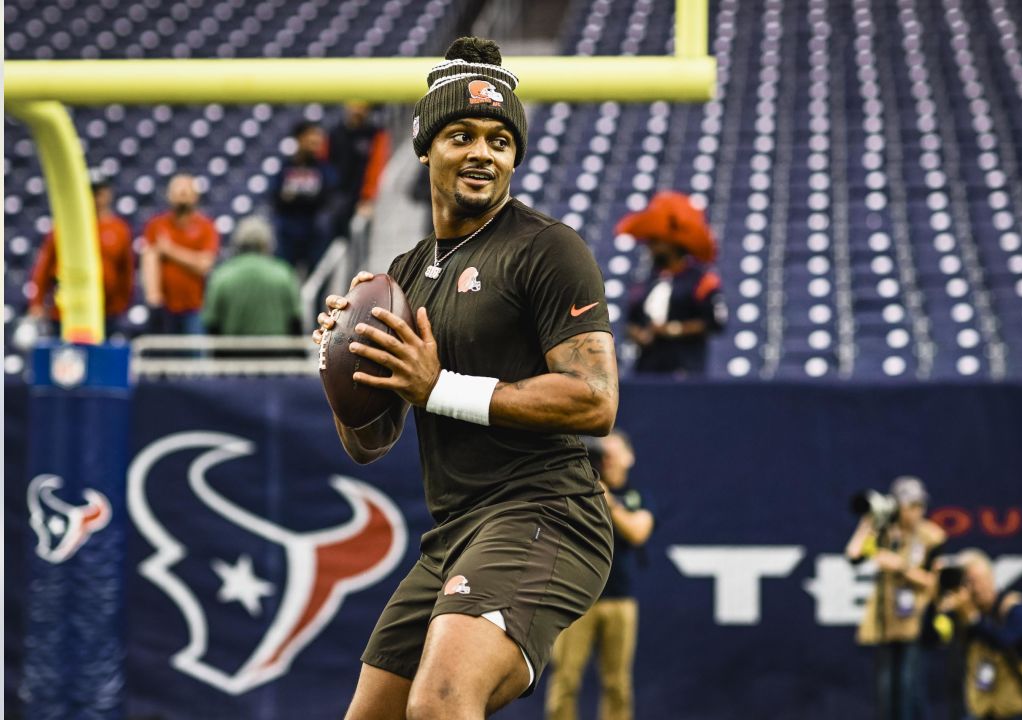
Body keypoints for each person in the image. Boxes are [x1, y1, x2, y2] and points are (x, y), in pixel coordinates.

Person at [311, 37, 618, 720]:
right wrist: (340, 364)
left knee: (442, 701)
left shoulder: (547, 247)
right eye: (462, 134)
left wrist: (439, 388)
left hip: (547, 515)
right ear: (425, 148)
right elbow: (369, 443)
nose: (483, 151)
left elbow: (596, 401)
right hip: (457, 529)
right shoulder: (403, 273)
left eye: (500, 140)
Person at [545, 430, 654, 720]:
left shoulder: (636, 496)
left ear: (629, 457)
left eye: (613, 451)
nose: (607, 457)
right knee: (565, 678)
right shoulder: (580, 490)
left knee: (617, 683)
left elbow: (638, 532)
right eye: (603, 452)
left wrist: (606, 496)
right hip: (576, 600)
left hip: (619, 599)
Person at [845, 476, 947, 720]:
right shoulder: (885, 533)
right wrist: (869, 521)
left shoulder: (931, 536)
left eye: (920, 506)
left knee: (910, 686)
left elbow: (935, 582)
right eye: (911, 506)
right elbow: (853, 554)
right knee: (886, 687)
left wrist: (902, 568)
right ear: (898, 507)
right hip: (887, 618)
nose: (917, 512)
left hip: (916, 618)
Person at [619, 190, 727, 376]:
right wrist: (637, 333)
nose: (649, 247)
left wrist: (672, 330)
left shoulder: (701, 279)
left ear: (672, 244)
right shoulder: (648, 280)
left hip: (685, 369)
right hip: (647, 371)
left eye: (655, 241)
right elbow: (631, 321)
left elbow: (715, 322)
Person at [937, 550, 1022, 720]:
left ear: (991, 577)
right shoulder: (964, 612)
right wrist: (936, 595)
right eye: (967, 583)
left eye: (978, 581)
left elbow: (1004, 640)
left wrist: (972, 617)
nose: (975, 589)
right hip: (984, 708)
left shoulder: (1013, 607)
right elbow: (930, 636)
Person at [27, 173, 134, 338]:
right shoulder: (64, 226)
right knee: (67, 360)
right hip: (68, 311)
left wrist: (120, 305)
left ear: (107, 194)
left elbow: (126, 272)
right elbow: (44, 267)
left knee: (100, 359)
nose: (94, 197)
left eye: (98, 192)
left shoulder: (118, 229)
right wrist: (37, 302)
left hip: (105, 311)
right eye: (90, 192)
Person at [140, 173, 219, 334]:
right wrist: (153, 296)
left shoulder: (206, 226)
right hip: (164, 309)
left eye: (186, 190)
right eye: (177, 190)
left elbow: (204, 265)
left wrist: (169, 250)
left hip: (194, 307)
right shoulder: (156, 225)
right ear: (169, 195)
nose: (182, 194)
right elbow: (149, 258)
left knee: (195, 355)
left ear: (196, 196)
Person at [201, 215, 302, 337]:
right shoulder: (283, 273)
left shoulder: (222, 275)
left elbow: (212, 322)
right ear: (267, 243)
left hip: (233, 352)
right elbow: (295, 320)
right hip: (276, 352)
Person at [271, 120, 337, 276]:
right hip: (288, 232)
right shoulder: (285, 168)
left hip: (314, 232)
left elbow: (328, 197)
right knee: (283, 275)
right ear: (299, 139)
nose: (315, 141)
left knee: (317, 278)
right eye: (310, 136)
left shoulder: (324, 169)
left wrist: (294, 198)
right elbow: (276, 197)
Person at [326, 100, 390, 242]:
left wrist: (367, 198)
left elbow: (377, 167)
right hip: (337, 198)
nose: (356, 108)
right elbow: (325, 163)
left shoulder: (375, 134)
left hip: (361, 199)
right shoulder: (334, 133)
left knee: (359, 239)